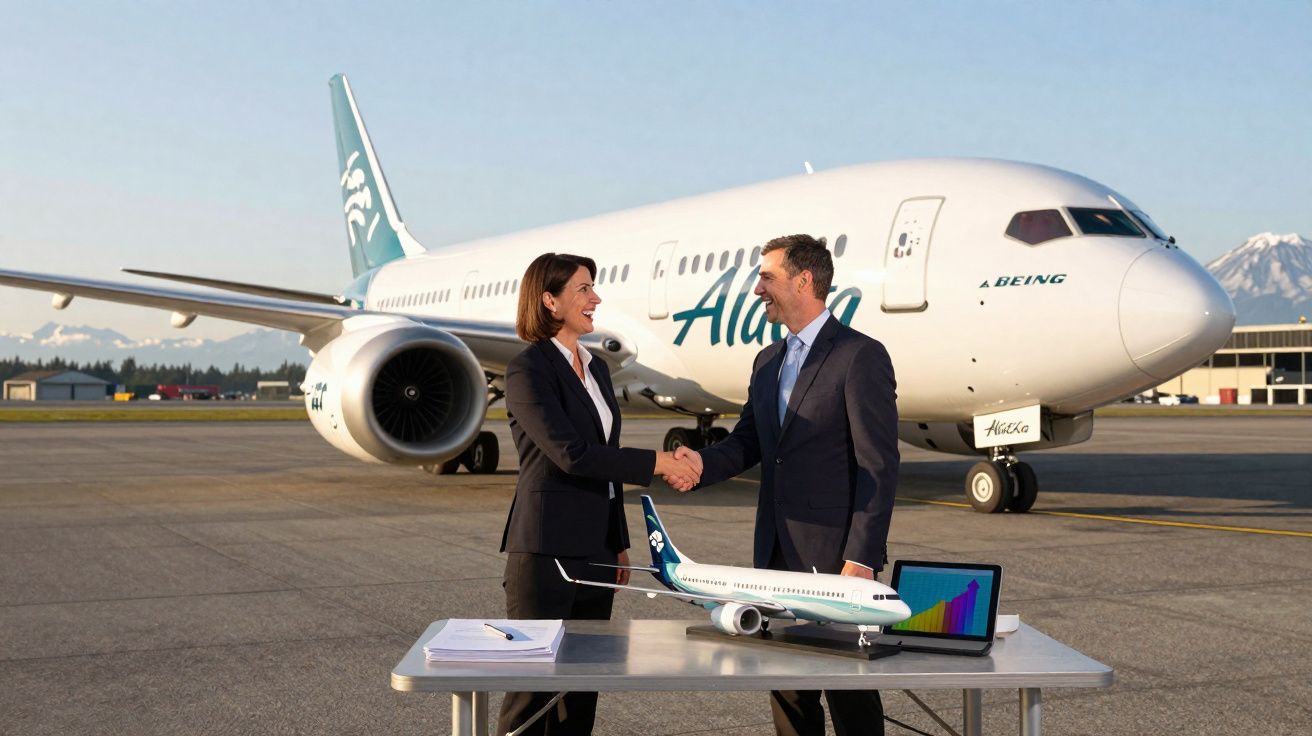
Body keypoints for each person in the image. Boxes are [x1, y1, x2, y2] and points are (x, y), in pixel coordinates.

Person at [675, 234, 899, 736]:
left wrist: (861, 558)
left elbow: (878, 465)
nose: (758, 290)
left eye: (767, 278)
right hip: (776, 555)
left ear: (804, 281)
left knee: (850, 693)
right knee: (789, 690)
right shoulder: (767, 361)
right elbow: (750, 441)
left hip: (839, 562)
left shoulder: (859, 356)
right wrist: (701, 466)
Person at [498, 252, 700, 736]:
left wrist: (618, 538)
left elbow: (604, 461)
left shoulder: (598, 369)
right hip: (546, 551)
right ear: (550, 300)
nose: (596, 298)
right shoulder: (528, 370)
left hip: (599, 551)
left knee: (582, 688)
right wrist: (657, 462)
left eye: (593, 287)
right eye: (584, 289)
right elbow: (572, 454)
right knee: (531, 692)